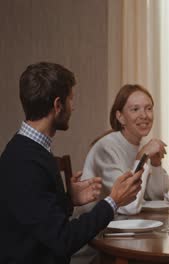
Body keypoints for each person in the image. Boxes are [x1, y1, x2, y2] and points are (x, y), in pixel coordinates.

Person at [0, 62, 142, 264]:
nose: (73, 107)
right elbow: (63, 239)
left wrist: (68, 199)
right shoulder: (25, 162)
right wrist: (113, 201)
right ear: (58, 105)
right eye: (71, 100)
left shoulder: (29, 149)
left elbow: (38, 219)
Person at [77, 84, 167, 216]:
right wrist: (141, 158)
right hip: (96, 230)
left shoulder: (139, 144)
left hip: (123, 225)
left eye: (148, 108)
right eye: (135, 109)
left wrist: (156, 164)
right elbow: (129, 207)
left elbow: (156, 196)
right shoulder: (106, 148)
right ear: (120, 117)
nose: (144, 115)